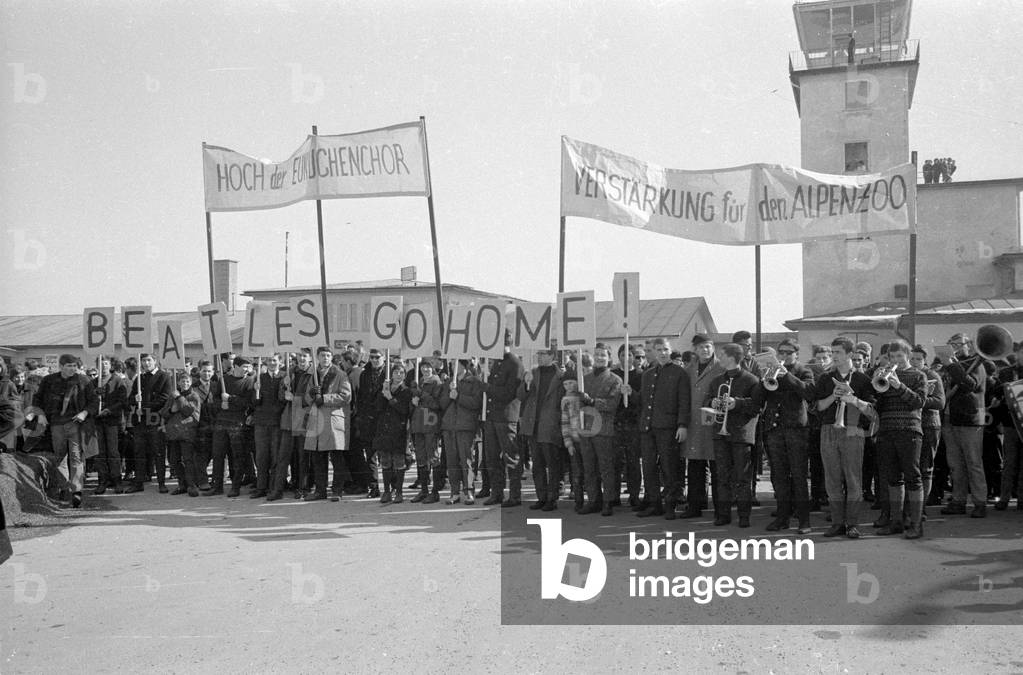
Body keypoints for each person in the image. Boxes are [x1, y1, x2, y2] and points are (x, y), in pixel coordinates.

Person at [815, 338, 875, 539]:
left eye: (838, 352)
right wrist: (834, 395)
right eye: (833, 352)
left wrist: (854, 400)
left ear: (850, 354)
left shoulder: (863, 380)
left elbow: (872, 412)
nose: (834, 356)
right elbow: (818, 407)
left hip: (853, 430)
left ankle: (853, 524)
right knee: (832, 480)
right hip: (829, 429)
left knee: (853, 479)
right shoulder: (825, 379)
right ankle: (837, 523)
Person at [756, 339, 815, 534]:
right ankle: (782, 518)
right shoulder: (769, 372)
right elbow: (759, 398)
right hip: (774, 428)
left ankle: (804, 521)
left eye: (789, 352)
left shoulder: (803, 371)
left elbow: (808, 392)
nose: (784, 355)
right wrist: (763, 379)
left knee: (798, 475)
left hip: (796, 429)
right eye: (781, 352)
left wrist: (786, 374)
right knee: (779, 476)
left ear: (796, 354)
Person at [872, 340, 927, 538]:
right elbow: (877, 407)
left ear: (908, 355)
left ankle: (916, 524)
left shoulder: (919, 375)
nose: (895, 361)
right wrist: (876, 387)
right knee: (893, 477)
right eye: (892, 357)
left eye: (899, 357)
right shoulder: (884, 374)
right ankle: (896, 522)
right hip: (887, 430)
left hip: (909, 430)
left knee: (913, 476)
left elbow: (919, 402)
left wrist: (899, 385)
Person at [30, 354, 98, 507]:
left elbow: (94, 401)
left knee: (76, 457)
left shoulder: (83, 380)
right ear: (60, 367)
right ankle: (64, 488)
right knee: (59, 457)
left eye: (74, 365)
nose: (73, 368)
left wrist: (85, 413)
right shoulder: (49, 381)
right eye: (69, 366)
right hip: (56, 424)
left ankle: (77, 491)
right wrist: (40, 414)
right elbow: (37, 399)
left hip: (76, 423)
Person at [940, 333, 996, 518]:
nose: (954, 346)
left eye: (958, 343)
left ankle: (980, 502)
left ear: (968, 345)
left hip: (970, 420)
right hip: (951, 419)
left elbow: (969, 385)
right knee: (955, 464)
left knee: (973, 463)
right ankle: (958, 500)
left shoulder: (977, 365)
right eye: (951, 343)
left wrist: (951, 365)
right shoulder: (953, 365)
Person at [706, 343, 760, 528]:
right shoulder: (716, 381)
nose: (719, 358)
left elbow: (757, 407)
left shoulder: (751, 380)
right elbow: (707, 401)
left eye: (721, 354)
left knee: (742, 477)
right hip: (720, 434)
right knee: (722, 477)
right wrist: (712, 402)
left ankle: (744, 516)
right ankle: (723, 514)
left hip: (741, 435)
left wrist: (736, 403)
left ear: (731, 357)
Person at [637, 337, 691, 520]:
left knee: (669, 468)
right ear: (653, 351)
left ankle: (670, 504)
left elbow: (684, 401)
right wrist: (630, 394)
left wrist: (682, 425)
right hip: (648, 427)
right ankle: (654, 504)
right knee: (649, 467)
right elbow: (644, 402)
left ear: (670, 350)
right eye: (658, 349)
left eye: (665, 349)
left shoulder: (679, 373)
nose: (662, 353)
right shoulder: (648, 374)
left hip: (668, 427)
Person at [303, 347, 352, 502]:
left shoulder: (340, 374)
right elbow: (307, 397)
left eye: (328, 355)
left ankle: (337, 490)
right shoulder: (314, 375)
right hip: (317, 420)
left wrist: (324, 398)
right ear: (317, 357)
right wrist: (312, 395)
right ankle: (320, 490)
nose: (325, 358)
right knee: (318, 458)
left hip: (332, 420)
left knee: (337, 457)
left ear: (332, 357)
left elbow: (346, 396)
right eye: (323, 355)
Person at [681, 334, 722, 519]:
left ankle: (721, 509)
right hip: (695, 424)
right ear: (695, 350)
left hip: (714, 423)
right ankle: (695, 505)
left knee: (717, 468)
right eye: (701, 347)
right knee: (695, 466)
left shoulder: (721, 367)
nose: (705, 350)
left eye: (708, 346)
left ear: (713, 347)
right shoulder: (689, 369)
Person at [519, 348, 565, 511]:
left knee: (552, 463)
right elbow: (520, 396)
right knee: (537, 464)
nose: (539, 357)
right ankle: (542, 496)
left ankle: (552, 498)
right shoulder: (532, 373)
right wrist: (526, 384)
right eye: (538, 354)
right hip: (534, 424)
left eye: (543, 354)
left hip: (551, 424)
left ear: (552, 356)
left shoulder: (560, 376)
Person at [480, 336, 524, 507]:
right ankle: (496, 492)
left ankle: (514, 495)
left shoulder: (514, 363)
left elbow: (509, 393)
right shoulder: (498, 362)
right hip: (493, 417)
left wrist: (487, 388)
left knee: (511, 457)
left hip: (506, 417)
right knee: (492, 457)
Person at [204, 356, 254, 497]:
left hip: (238, 422)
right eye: (244, 366)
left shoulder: (249, 382)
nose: (247, 369)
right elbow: (215, 400)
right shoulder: (223, 380)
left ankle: (235, 486)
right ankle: (217, 486)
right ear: (236, 366)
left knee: (237, 455)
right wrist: (221, 404)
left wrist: (230, 399)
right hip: (221, 421)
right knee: (218, 454)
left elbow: (249, 403)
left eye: (248, 367)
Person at [123, 353, 173, 495]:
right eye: (143, 361)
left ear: (155, 361)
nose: (146, 363)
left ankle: (161, 483)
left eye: (148, 360)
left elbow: (164, 398)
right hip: (140, 423)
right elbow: (130, 400)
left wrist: (144, 409)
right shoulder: (140, 378)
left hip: (155, 420)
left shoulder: (164, 376)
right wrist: (134, 398)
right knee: (139, 452)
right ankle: (138, 482)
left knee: (158, 452)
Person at [909, 345, 946, 520]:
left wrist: (917, 400)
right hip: (911, 425)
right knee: (912, 468)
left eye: (918, 359)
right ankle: (912, 507)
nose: (914, 362)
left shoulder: (932, 375)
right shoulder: (908, 374)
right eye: (912, 358)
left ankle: (921, 508)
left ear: (925, 360)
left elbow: (940, 402)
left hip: (929, 424)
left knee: (926, 468)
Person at [441, 360, 484, 505]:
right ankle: (454, 492)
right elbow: (442, 404)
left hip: (465, 426)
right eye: (452, 363)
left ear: (464, 365)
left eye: (456, 363)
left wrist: (458, 396)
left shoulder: (474, 382)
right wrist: (449, 392)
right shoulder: (448, 383)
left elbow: (476, 403)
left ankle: (469, 491)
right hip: (449, 426)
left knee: (466, 460)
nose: (453, 366)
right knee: (452, 461)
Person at [161, 370, 202, 497]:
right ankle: (181, 484)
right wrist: (172, 410)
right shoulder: (172, 396)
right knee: (174, 460)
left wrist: (179, 398)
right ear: (178, 382)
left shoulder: (194, 396)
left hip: (186, 433)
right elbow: (164, 413)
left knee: (188, 459)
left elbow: (189, 411)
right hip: (173, 433)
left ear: (191, 383)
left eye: (187, 381)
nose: (185, 383)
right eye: (182, 381)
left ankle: (191, 485)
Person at [612, 344, 643, 508]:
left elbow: (643, 401)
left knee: (633, 462)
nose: (626, 358)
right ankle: (614, 495)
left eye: (629, 355)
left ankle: (634, 495)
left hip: (633, 423)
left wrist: (631, 393)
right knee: (616, 461)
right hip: (616, 422)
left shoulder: (641, 375)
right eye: (623, 355)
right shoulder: (614, 375)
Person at [252, 354, 287, 500]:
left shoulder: (285, 377)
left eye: (275, 360)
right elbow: (254, 403)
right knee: (261, 456)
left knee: (275, 456)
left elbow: (284, 400)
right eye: (269, 361)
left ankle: (274, 487)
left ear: (280, 362)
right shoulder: (260, 378)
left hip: (277, 422)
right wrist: (255, 391)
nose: (272, 363)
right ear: (265, 362)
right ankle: (261, 487)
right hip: (261, 422)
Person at [354, 348, 387, 498]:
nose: (374, 360)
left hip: (385, 419)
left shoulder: (389, 373)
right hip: (367, 419)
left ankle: (390, 486)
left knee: (387, 455)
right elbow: (360, 397)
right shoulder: (364, 374)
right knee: (371, 455)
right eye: (372, 357)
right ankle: (374, 486)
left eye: (377, 357)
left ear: (384, 357)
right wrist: (361, 416)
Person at [93, 358, 129, 494]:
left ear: (110, 365)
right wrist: (96, 400)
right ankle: (102, 480)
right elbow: (89, 401)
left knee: (113, 452)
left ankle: (117, 480)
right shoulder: (93, 382)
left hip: (112, 421)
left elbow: (122, 401)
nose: (103, 366)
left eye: (106, 363)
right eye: (100, 364)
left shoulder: (117, 380)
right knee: (100, 452)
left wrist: (109, 410)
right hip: (97, 421)